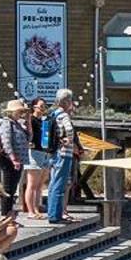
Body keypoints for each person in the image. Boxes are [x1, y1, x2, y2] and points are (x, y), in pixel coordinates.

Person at [44, 88, 84, 225]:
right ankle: (56, 215)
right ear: (66, 101)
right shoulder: (64, 116)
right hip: (63, 153)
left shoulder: (52, 114)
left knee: (53, 183)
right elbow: (69, 131)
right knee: (59, 184)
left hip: (53, 152)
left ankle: (52, 212)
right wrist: (69, 140)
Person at [0, 100, 28, 219]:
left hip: (18, 159)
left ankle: (9, 214)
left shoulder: (18, 124)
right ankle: (5, 214)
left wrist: (29, 121)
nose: (21, 113)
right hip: (9, 159)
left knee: (13, 187)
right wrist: (13, 159)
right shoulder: (7, 124)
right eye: (19, 111)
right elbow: (6, 143)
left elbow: (29, 137)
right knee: (8, 187)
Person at [21, 98, 51, 218]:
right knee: (32, 184)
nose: (43, 108)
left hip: (44, 151)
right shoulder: (30, 119)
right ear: (34, 107)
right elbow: (28, 133)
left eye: (44, 106)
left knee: (40, 185)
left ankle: (37, 208)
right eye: (41, 106)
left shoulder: (44, 121)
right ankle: (30, 211)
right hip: (34, 152)